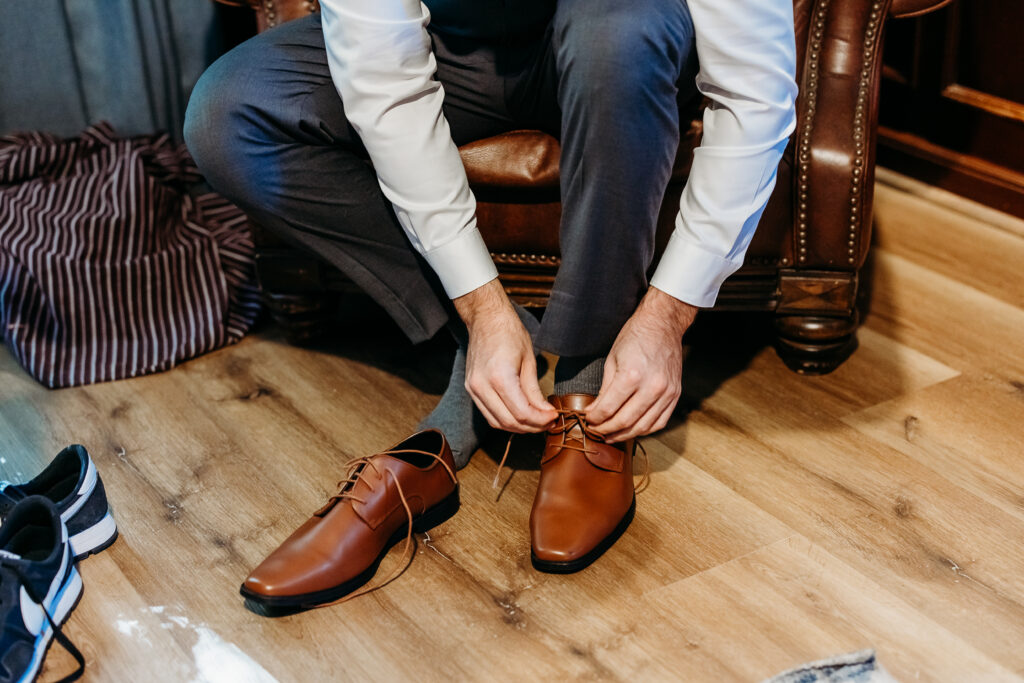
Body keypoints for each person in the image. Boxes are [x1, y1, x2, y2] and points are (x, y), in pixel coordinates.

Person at [184, 0, 797, 609]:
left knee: (617, 33)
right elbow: (386, 88)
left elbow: (753, 96)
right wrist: (480, 306)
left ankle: (590, 372)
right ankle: (498, 344)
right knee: (228, 113)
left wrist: (669, 314)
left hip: (626, 44)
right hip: (455, 46)